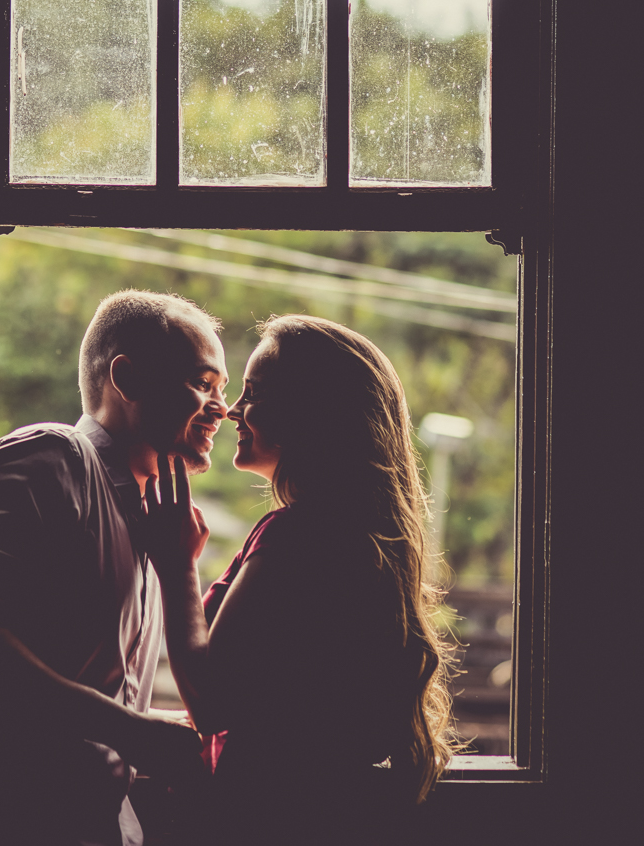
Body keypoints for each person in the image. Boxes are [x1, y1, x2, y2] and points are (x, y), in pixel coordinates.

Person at [0, 289, 229, 846]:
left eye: (222, 390)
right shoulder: (52, 459)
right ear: (125, 380)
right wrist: (129, 729)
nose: (221, 408)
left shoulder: (154, 525)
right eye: (204, 383)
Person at [144, 314, 458, 846]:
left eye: (254, 393)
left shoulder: (296, 536)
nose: (234, 410)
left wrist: (177, 566)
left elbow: (214, 700)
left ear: (313, 415)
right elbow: (280, 707)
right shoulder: (355, 539)